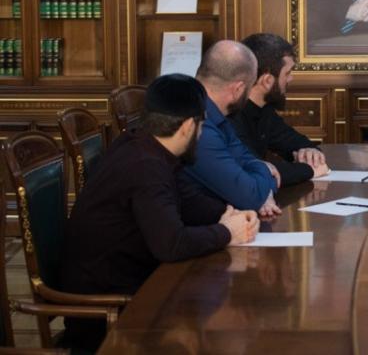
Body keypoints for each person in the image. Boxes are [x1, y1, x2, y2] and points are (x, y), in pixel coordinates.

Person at [60, 74, 259, 351]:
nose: (201, 134)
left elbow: (186, 200)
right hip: (109, 312)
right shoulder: (145, 165)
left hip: (135, 284)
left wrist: (230, 214)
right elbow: (172, 244)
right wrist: (227, 232)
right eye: (202, 125)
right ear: (188, 126)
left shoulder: (143, 144)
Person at [184, 40, 281, 215]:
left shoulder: (218, 115)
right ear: (238, 89)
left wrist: (260, 187)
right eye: (250, 88)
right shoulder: (198, 125)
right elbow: (249, 197)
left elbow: (247, 159)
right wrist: (265, 174)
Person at [230, 33, 330, 185]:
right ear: (267, 81)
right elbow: (255, 172)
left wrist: (312, 153)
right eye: (287, 73)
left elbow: (295, 141)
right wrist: (309, 170)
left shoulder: (264, 110)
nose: (291, 79)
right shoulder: (231, 115)